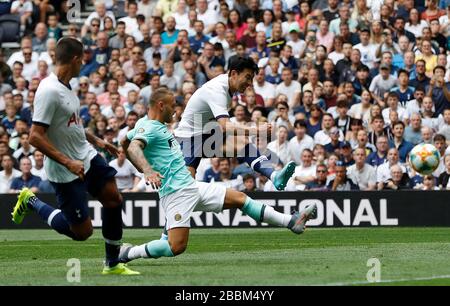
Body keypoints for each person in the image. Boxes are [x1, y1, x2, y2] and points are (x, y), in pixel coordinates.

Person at [118, 88, 317, 263]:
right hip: (176, 194)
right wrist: (147, 170)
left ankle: (292, 222)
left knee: (241, 199)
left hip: (190, 186)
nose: (176, 110)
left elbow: (126, 142)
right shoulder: (151, 128)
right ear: (161, 106)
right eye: (172, 106)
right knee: (175, 247)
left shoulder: (145, 124)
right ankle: (128, 253)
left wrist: (117, 149)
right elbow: (134, 147)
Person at [10, 38, 138, 275]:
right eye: (83, 60)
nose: (83, 65)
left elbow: (72, 124)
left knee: (113, 199)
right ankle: (31, 201)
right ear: (76, 60)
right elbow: (35, 136)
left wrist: (97, 141)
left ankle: (112, 264)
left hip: (87, 157)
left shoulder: (67, 86)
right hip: (65, 169)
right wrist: (68, 161)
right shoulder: (48, 91)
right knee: (82, 233)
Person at [174, 57, 296, 190]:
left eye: (251, 79)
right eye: (247, 77)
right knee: (185, 193)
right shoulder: (217, 90)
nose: (249, 83)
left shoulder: (228, 87)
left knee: (242, 143)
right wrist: (257, 130)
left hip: (206, 135)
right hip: (187, 140)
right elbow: (226, 126)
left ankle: (274, 176)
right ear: (233, 74)